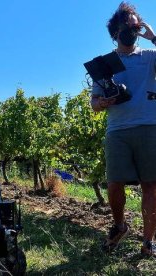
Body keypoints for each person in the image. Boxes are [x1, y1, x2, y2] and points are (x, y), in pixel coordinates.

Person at [91, 2, 156, 257]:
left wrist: (154, 37)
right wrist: (102, 102)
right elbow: (95, 103)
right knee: (114, 184)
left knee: (151, 186)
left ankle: (148, 242)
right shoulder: (104, 64)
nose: (131, 30)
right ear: (115, 31)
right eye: (126, 26)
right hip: (117, 130)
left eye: (135, 25)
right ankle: (120, 226)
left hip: (150, 127)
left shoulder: (150, 57)